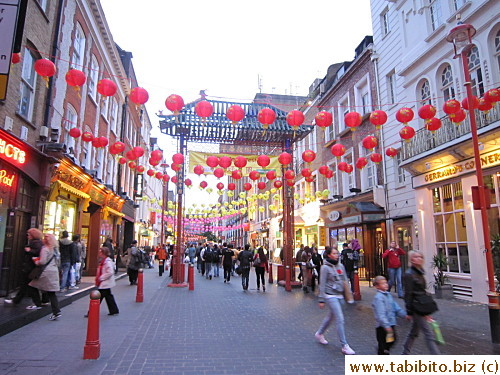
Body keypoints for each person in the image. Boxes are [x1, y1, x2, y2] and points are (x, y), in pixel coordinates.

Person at [315, 247, 355, 355]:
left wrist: (349, 294)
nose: (337, 255)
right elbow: (322, 284)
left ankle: (319, 333)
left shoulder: (340, 266)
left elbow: (345, 280)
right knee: (340, 318)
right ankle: (344, 345)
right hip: (330, 295)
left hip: (340, 295)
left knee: (331, 317)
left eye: (337, 253)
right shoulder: (325, 268)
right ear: (329, 255)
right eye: (334, 253)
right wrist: (321, 299)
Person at [402, 251, 441, 355]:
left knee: (414, 332)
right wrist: (409, 311)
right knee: (428, 334)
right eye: (416, 257)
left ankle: (405, 352)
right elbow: (408, 294)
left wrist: (426, 311)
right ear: (411, 259)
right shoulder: (409, 274)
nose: (419, 259)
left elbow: (422, 291)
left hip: (421, 305)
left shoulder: (420, 272)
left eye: (420, 257)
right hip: (416, 307)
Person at [5, 228, 47, 308]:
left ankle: (37, 302)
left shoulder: (35, 243)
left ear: (32, 235)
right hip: (32, 267)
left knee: (29, 285)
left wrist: (29, 250)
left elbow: (35, 253)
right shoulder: (38, 243)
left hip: (30, 268)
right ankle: (17, 300)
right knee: (27, 285)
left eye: (28, 234)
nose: (27, 236)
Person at [372, 276, 408, 355]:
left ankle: (384, 349)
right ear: (377, 286)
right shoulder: (378, 298)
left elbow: (395, 307)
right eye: (383, 283)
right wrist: (386, 325)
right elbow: (381, 314)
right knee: (384, 343)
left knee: (392, 340)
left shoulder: (388, 295)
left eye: (386, 282)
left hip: (391, 324)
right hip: (382, 327)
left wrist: (404, 315)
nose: (385, 285)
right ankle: (383, 352)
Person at [29, 233, 62, 321]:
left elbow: (42, 261)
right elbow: (58, 262)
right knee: (51, 292)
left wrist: (36, 261)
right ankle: (56, 311)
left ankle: (38, 303)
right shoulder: (56, 250)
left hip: (45, 272)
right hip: (54, 271)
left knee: (32, 285)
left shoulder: (45, 249)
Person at [94, 246, 119, 316]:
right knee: (108, 296)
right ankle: (114, 310)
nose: (99, 253)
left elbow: (110, 272)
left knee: (98, 297)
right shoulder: (104, 261)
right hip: (105, 283)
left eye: (100, 252)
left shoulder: (107, 262)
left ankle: (92, 311)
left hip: (105, 282)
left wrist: (101, 278)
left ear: (103, 253)